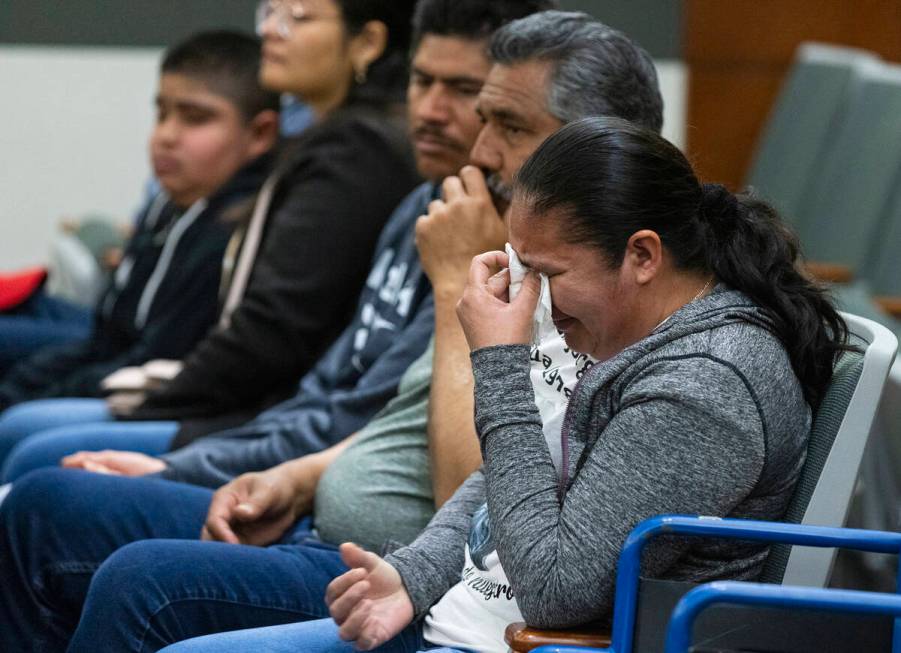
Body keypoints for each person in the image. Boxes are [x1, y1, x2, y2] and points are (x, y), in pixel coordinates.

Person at [162, 116, 850, 653]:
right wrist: (416, 571)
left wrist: (497, 364)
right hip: (469, 615)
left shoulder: (701, 387)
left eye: (548, 274)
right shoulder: (630, 323)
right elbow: (512, 477)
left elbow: (553, 591)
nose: (535, 301)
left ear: (641, 255)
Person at [0, 2, 555, 650]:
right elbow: (329, 391)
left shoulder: (467, 230)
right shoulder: (418, 200)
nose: (434, 112)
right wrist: (210, 469)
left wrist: (176, 462)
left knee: (90, 519)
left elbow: (303, 370)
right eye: (422, 81)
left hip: (384, 550)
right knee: (44, 496)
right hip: (306, 485)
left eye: (470, 98)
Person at [0, 0, 421, 477]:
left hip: (261, 414)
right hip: (247, 402)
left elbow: (272, 331)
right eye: (269, 13)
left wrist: (156, 401)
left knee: (30, 441)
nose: (271, 31)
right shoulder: (327, 140)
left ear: (368, 41)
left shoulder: (356, 153)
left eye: (297, 17)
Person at [0, 30, 281, 460]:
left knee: (21, 429)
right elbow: (105, 337)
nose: (166, 135)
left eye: (195, 118)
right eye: (162, 113)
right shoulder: (169, 204)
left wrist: (31, 397)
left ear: (260, 134)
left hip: (157, 396)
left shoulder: (229, 233)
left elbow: (147, 362)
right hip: (115, 361)